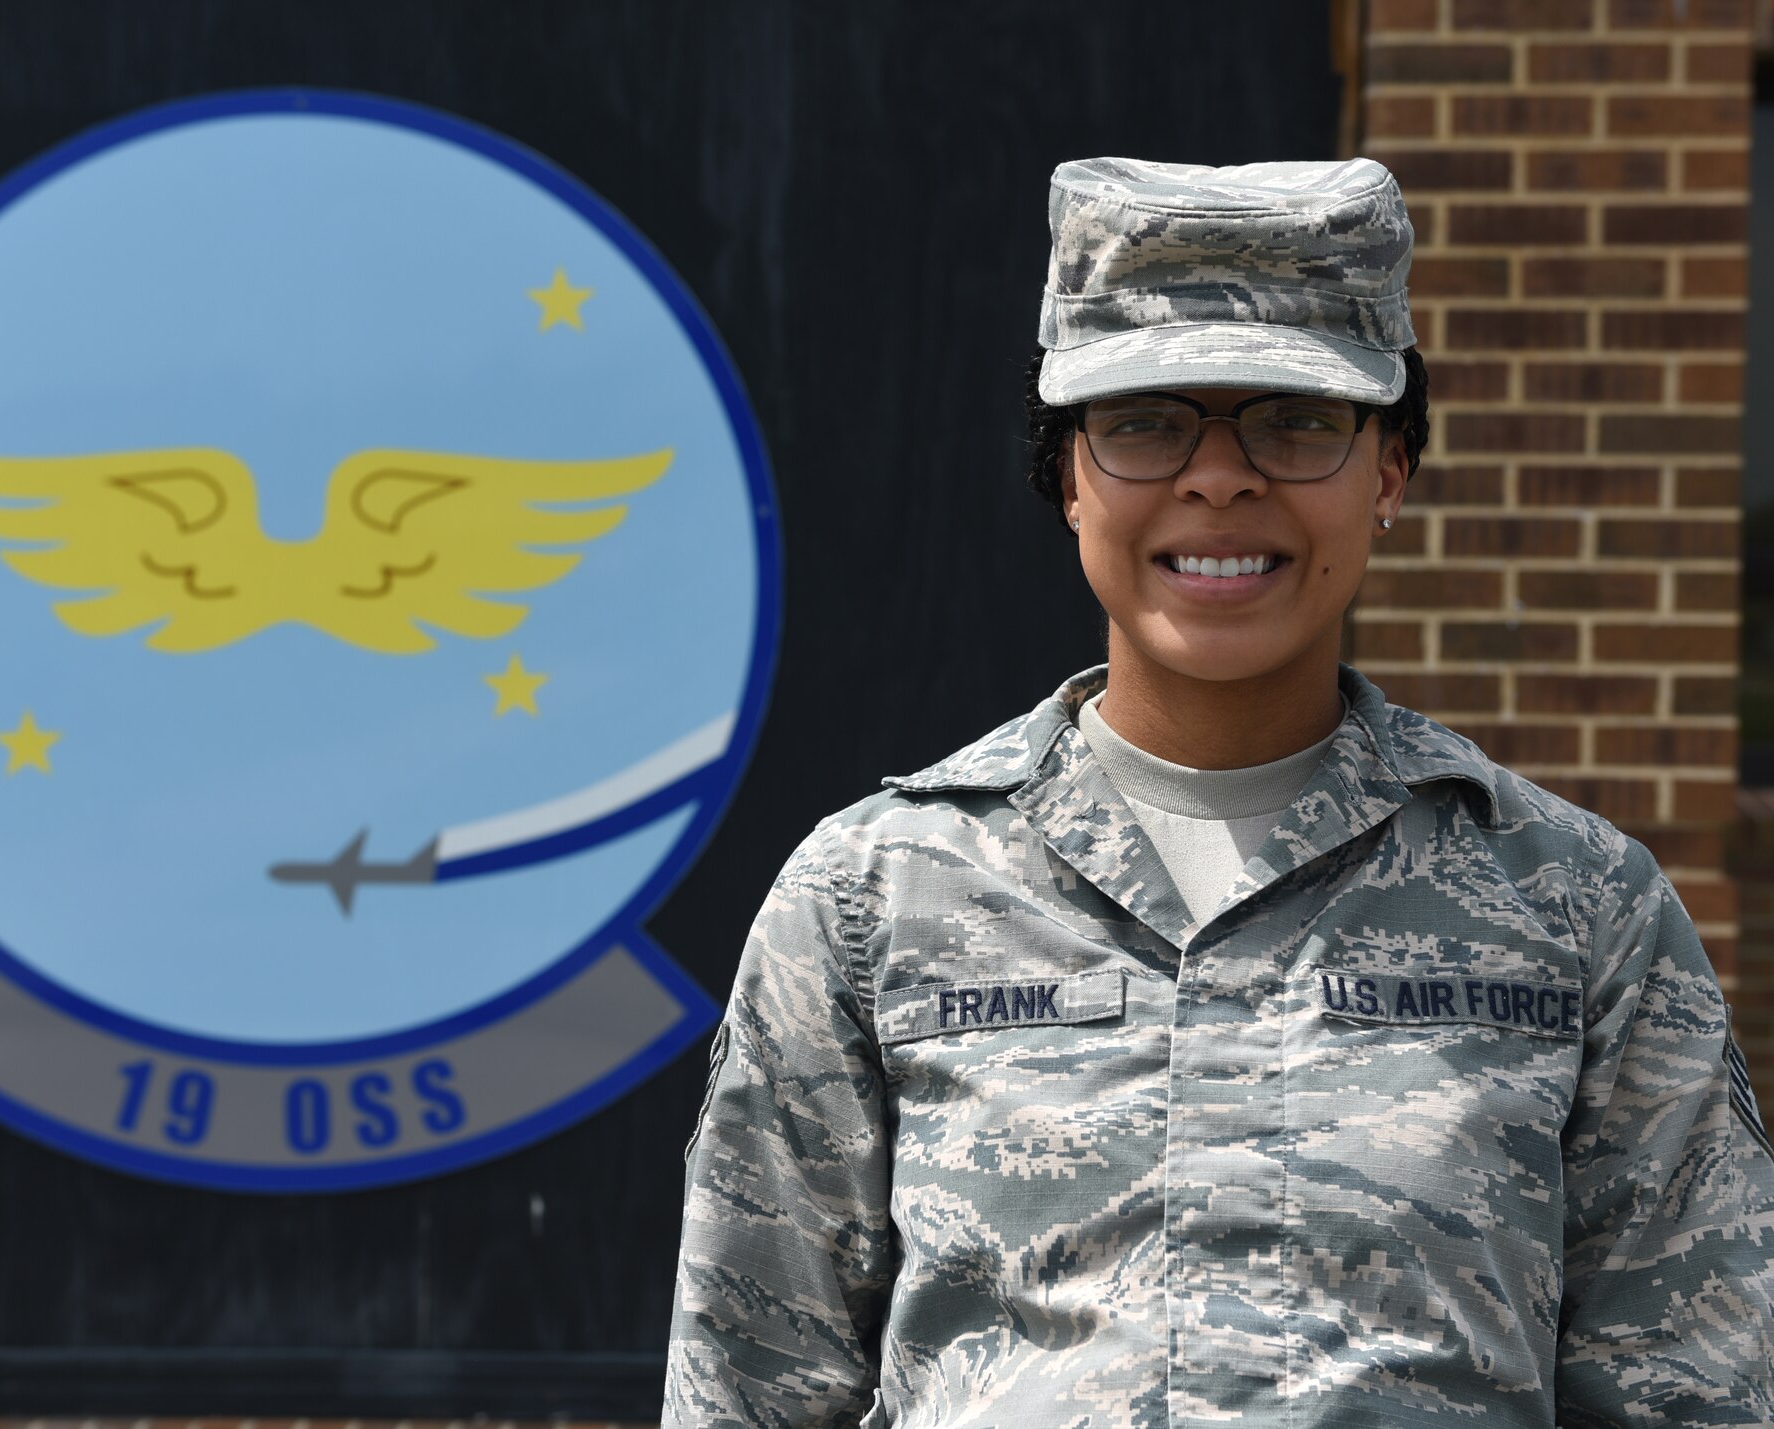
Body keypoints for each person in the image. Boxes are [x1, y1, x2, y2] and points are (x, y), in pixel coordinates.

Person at [664, 157, 1774, 1427]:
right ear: (1067, 473)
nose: (1217, 476)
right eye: (1142, 420)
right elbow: (746, 1390)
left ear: (1390, 473)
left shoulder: (1579, 911)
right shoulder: (870, 898)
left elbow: (1695, 1392)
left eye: (1295, 420)